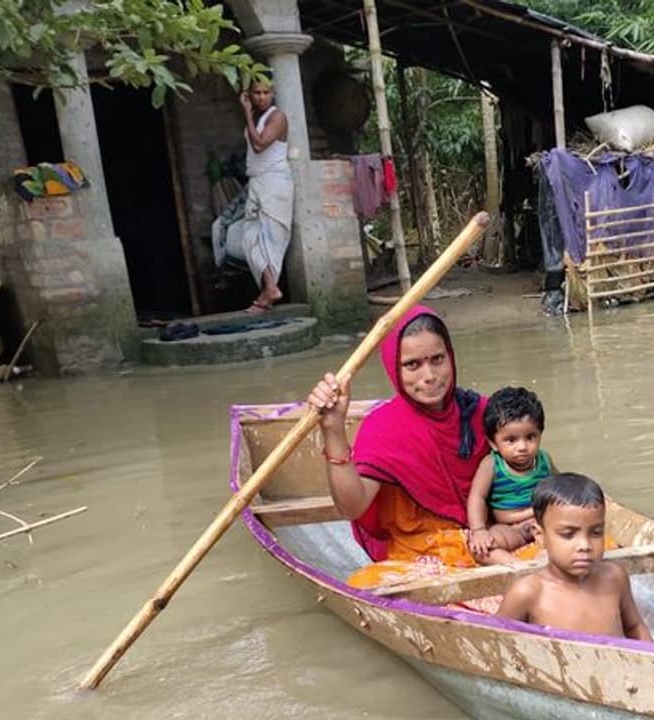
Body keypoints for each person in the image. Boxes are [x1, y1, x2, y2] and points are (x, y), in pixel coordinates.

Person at [307, 306, 532, 588]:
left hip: (492, 540)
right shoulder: (383, 427)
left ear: (450, 356)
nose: (429, 375)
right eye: (412, 365)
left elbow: (529, 472)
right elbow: (352, 507)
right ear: (394, 368)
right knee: (364, 582)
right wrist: (333, 429)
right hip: (420, 558)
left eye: (437, 359)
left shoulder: (483, 412)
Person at [496, 473, 652, 642]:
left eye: (596, 533)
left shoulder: (615, 577)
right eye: (568, 535)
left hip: (619, 667)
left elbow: (634, 626)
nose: (585, 545)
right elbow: (496, 644)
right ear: (540, 536)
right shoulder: (528, 592)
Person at [211, 79, 293, 313]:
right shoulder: (258, 117)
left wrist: (246, 112)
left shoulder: (278, 117)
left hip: (276, 183)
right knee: (249, 236)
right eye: (256, 93)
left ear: (273, 93)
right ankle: (270, 287)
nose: (261, 97)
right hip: (258, 181)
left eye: (266, 92)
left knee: (271, 239)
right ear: (249, 94)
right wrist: (250, 114)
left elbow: (259, 145)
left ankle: (269, 291)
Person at [465, 387, 556, 565]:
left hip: (543, 520)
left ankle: (549, 554)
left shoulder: (544, 459)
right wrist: (479, 530)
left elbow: (558, 487)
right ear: (494, 443)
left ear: (540, 434)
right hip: (511, 528)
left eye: (530, 437)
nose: (522, 447)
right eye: (511, 440)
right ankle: (517, 566)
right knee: (480, 548)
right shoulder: (492, 464)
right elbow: (477, 498)